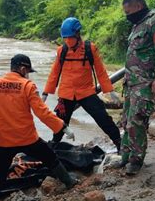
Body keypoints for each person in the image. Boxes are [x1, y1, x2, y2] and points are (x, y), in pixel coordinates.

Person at [0, 54, 78, 201]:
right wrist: (62, 126)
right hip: (27, 138)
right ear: (23, 69)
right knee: (50, 157)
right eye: (28, 71)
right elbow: (42, 112)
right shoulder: (27, 86)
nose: (28, 75)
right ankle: (69, 182)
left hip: (5, 141)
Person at [42, 17, 122, 152]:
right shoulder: (62, 51)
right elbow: (55, 72)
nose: (68, 41)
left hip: (86, 91)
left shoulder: (90, 49)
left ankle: (119, 143)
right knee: (60, 121)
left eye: (70, 37)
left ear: (78, 34)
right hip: (66, 93)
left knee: (102, 117)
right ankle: (54, 146)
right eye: (65, 38)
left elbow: (101, 71)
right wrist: (46, 92)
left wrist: (110, 90)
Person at [118, 0, 155, 175]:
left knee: (137, 121)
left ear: (139, 6)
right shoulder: (137, 25)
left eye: (128, 11)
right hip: (131, 82)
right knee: (126, 121)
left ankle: (136, 160)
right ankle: (125, 156)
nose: (127, 15)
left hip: (145, 82)